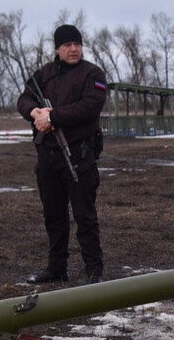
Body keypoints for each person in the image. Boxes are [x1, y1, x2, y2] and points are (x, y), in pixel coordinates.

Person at [17, 24, 108, 285]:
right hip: (48, 155)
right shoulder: (44, 74)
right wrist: (34, 112)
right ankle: (56, 267)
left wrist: (54, 117)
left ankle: (94, 269)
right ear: (57, 48)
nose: (73, 49)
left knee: (85, 215)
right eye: (67, 45)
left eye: (77, 44)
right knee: (53, 216)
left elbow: (91, 105)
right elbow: (24, 98)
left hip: (79, 154)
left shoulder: (92, 73)